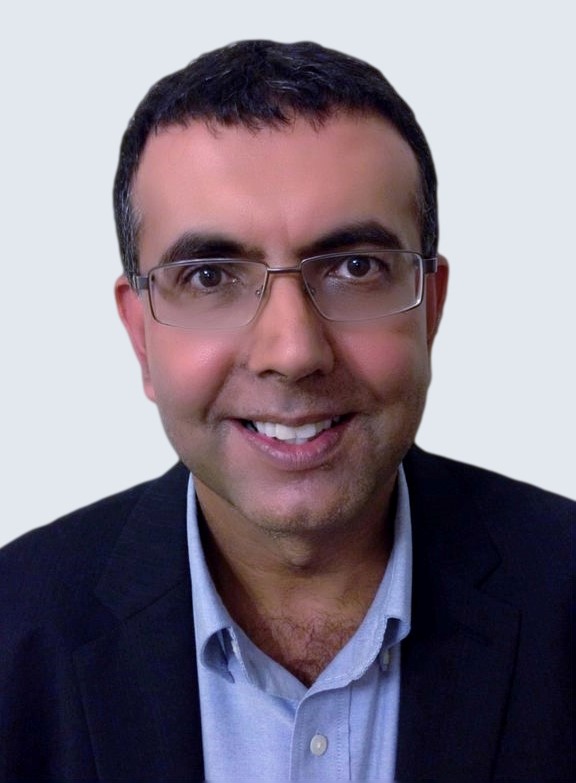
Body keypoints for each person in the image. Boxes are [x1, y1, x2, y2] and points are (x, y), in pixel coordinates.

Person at [0, 40, 572, 782]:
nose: (294, 351)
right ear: (141, 334)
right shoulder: (14, 631)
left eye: (356, 268)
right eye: (210, 277)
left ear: (429, 309)